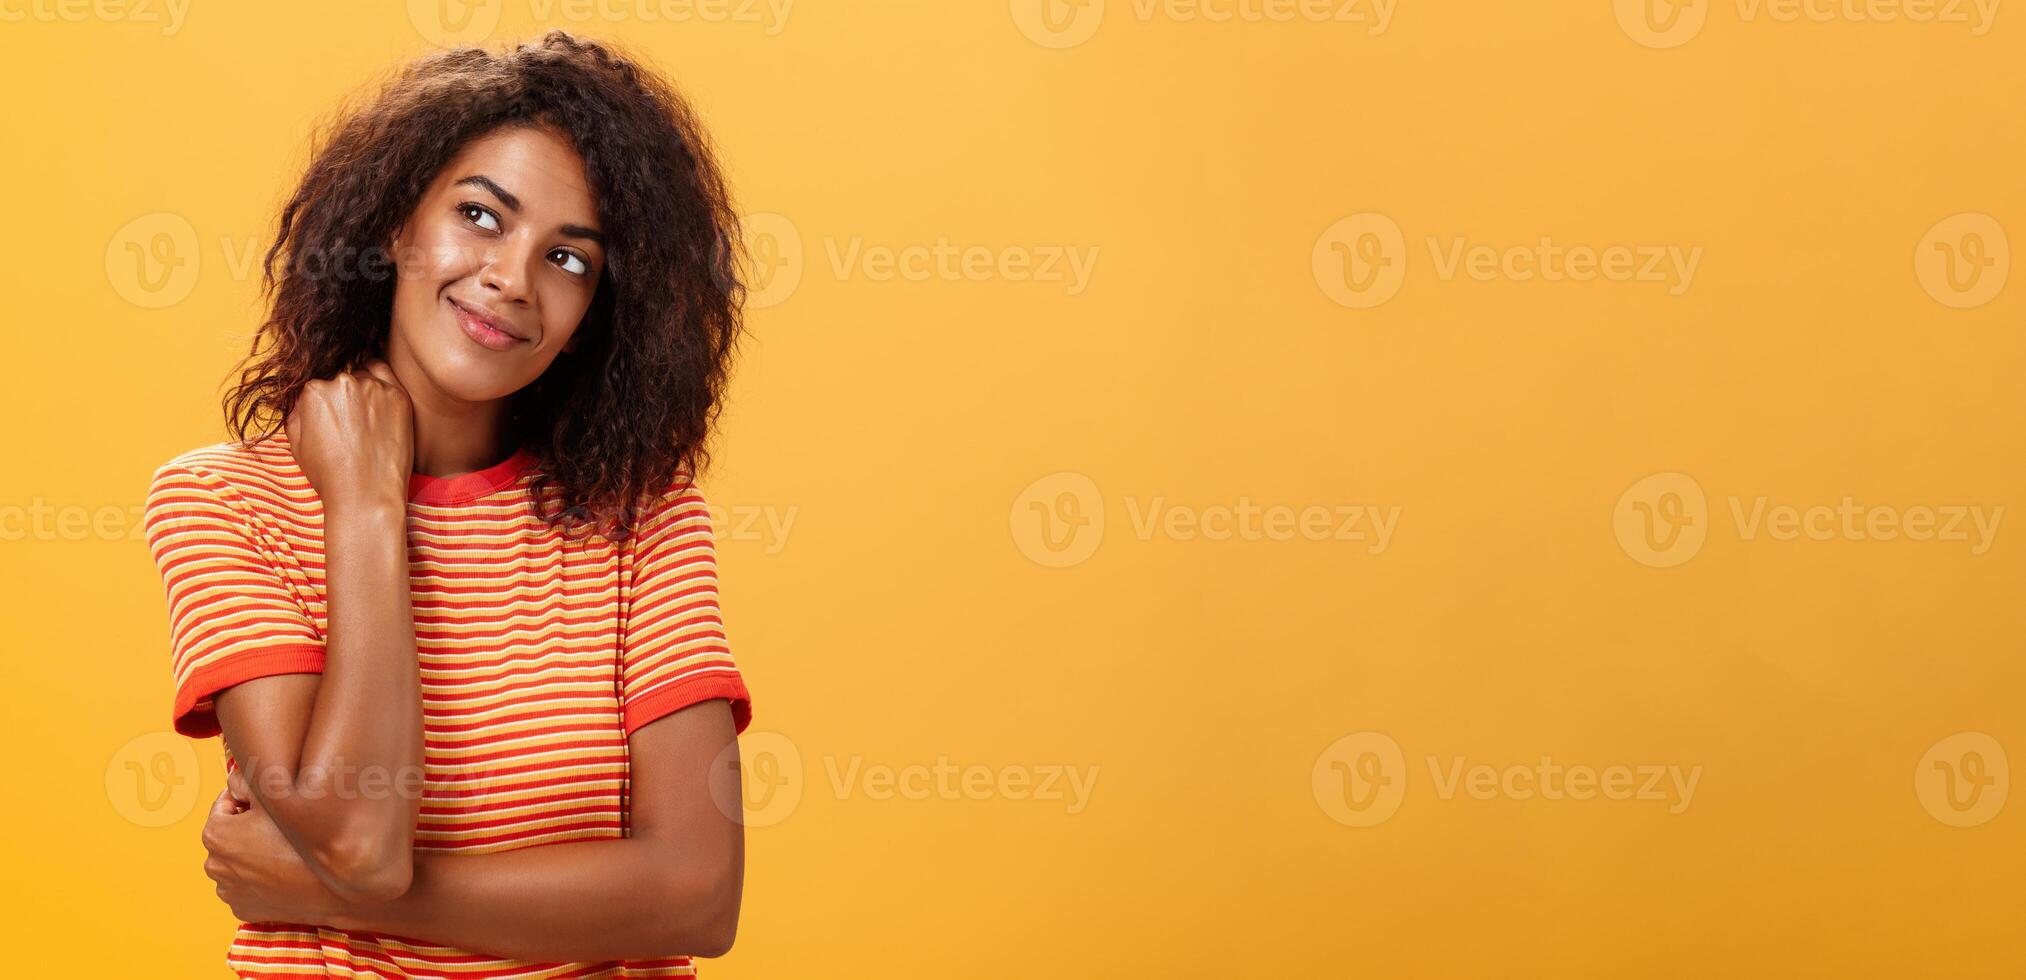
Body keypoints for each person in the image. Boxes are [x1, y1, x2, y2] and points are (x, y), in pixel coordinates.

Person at [141, 30, 754, 977]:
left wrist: (312, 891)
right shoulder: (226, 501)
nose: (512, 278)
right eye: (480, 215)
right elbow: (360, 839)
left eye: (569, 260)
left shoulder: (643, 513)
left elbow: (697, 897)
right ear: (395, 226)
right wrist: (365, 508)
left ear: (600, 314)